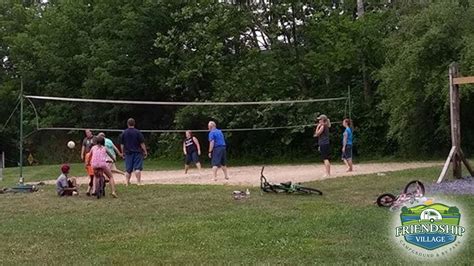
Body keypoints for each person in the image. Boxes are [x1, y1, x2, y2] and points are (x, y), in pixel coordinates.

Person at [120, 118, 147, 186]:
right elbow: (142, 143)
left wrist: (122, 152)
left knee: (128, 169)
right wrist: (145, 151)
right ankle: (138, 182)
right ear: (134, 124)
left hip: (128, 153)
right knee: (137, 168)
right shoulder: (138, 132)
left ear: (127, 124)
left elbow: (122, 144)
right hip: (137, 152)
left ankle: (127, 182)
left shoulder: (124, 132)